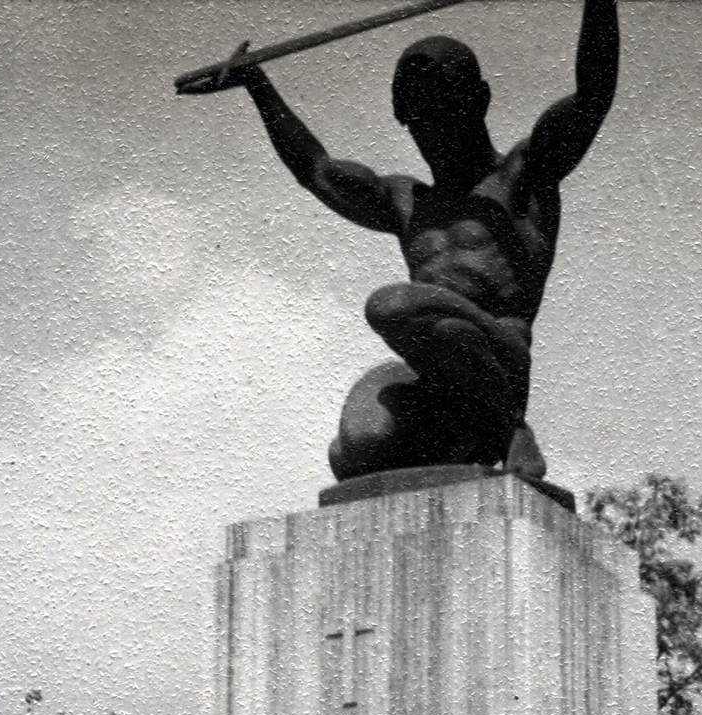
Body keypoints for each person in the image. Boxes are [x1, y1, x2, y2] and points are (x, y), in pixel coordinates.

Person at [206, 0, 618, 481]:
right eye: (417, 116)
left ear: (478, 100)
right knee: (354, 450)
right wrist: (257, 84)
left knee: (391, 305)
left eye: (443, 108)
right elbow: (316, 169)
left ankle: (510, 427)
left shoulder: (522, 177)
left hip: (499, 360)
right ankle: (470, 442)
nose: (432, 129)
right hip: (435, 377)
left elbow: (592, 96)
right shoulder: (404, 200)